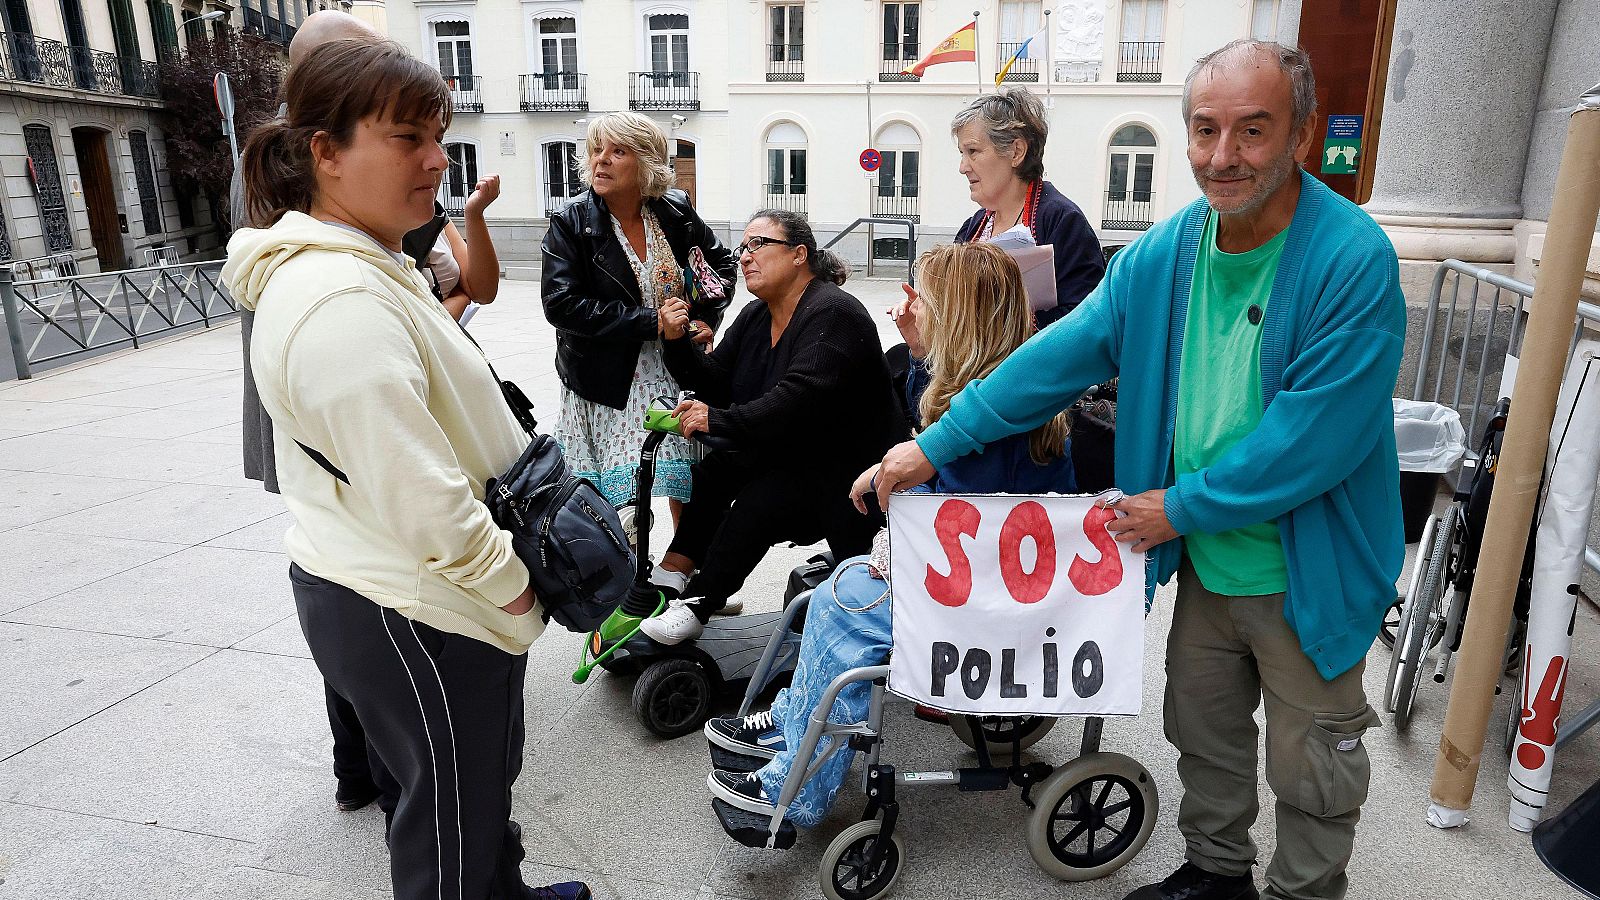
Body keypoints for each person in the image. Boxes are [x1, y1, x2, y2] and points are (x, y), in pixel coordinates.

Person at [870, 41, 1405, 900]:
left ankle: (1305, 891)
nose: (1222, 155)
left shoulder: (1353, 261)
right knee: (1205, 731)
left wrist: (1179, 508)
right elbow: (1057, 356)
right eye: (1204, 130)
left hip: (1309, 568)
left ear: (1300, 135)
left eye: (1252, 131)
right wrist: (932, 443)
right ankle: (1216, 874)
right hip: (1204, 557)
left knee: (1314, 763)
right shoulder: (1167, 253)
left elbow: (1317, 438)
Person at [224, 39, 588, 900]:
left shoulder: (367, 263)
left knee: (466, 795)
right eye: (405, 137)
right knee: (447, 834)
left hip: (408, 592)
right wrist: (514, 592)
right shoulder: (340, 301)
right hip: (417, 603)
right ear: (325, 153)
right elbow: (420, 498)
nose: (435, 158)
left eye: (438, 133)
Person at [701, 242, 1076, 825]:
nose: (908, 307)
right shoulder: (992, 400)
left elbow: (958, 524)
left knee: (843, 607)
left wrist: (892, 546)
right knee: (837, 590)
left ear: (957, 318)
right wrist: (923, 354)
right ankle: (793, 724)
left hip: (979, 598)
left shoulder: (992, 425)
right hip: (972, 580)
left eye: (922, 299)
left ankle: (793, 788)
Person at [638, 209, 905, 645]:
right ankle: (675, 571)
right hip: (797, 451)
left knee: (760, 500)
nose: (745, 256)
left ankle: (701, 602)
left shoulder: (833, 312)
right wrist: (676, 340)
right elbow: (715, 379)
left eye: (759, 244)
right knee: (714, 471)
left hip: (849, 474)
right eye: (744, 247)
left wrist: (718, 418)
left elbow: (799, 399)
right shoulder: (758, 314)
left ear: (800, 254)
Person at [888, 86, 1109, 487]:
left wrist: (1003, 321)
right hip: (967, 386)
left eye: (973, 152)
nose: (962, 166)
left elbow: (1086, 326)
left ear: (1017, 151)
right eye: (962, 153)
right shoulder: (974, 227)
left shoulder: (1062, 221)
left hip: (1031, 406)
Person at [540, 111, 735, 519]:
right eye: (596, 150)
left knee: (687, 476)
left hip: (676, 365)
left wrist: (703, 320)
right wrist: (651, 323)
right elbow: (560, 304)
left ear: (646, 161)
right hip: (609, 376)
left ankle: (684, 567)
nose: (601, 160)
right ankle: (628, 568)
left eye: (618, 151)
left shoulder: (675, 210)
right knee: (627, 495)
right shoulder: (572, 221)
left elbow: (721, 268)